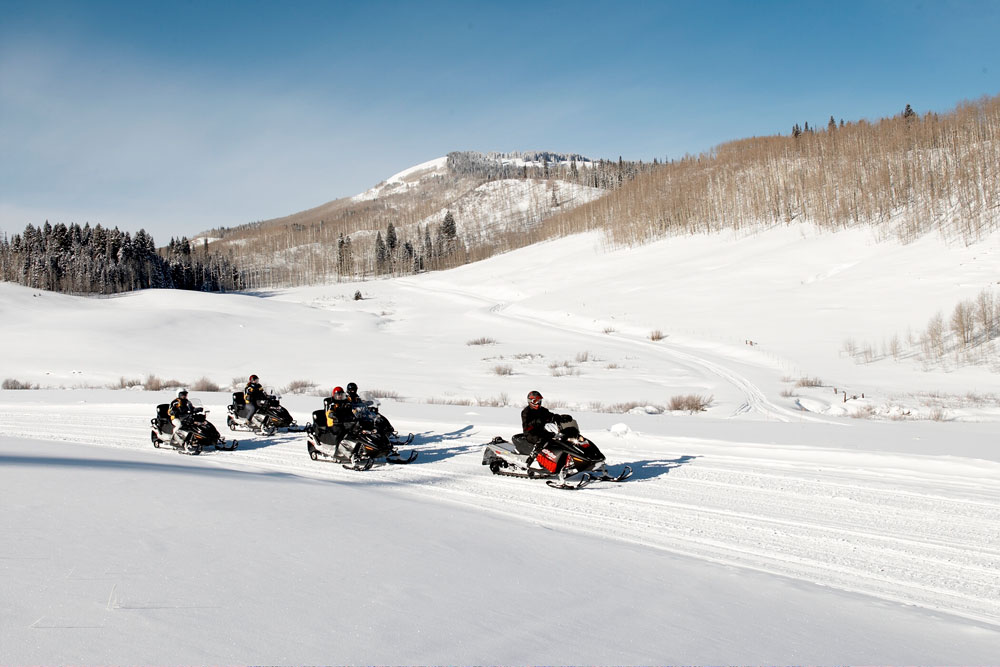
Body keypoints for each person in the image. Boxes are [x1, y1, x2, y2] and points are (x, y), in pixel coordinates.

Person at [518, 390, 560, 462]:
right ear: (530, 401)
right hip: (530, 433)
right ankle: (532, 458)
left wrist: (559, 417)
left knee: (554, 437)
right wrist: (536, 422)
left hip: (541, 431)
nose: (538, 403)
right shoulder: (526, 412)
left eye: (539, 401)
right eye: (535, 401)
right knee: (541, 440)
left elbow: (550, 416)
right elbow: (527, 425)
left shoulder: (542, 410)